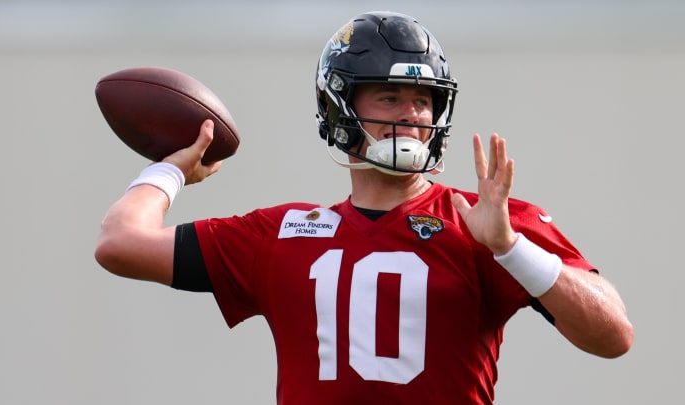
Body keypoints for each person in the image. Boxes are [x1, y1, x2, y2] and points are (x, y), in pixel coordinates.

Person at [95, 11, 633, 404]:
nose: (413, 115)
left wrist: (511, 249)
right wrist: (171, 169)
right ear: (339, 107)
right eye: (389, 98)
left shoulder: (486, 222)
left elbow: (614, 336)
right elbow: (119, 244)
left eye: (424, 100)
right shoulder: (282, 232)